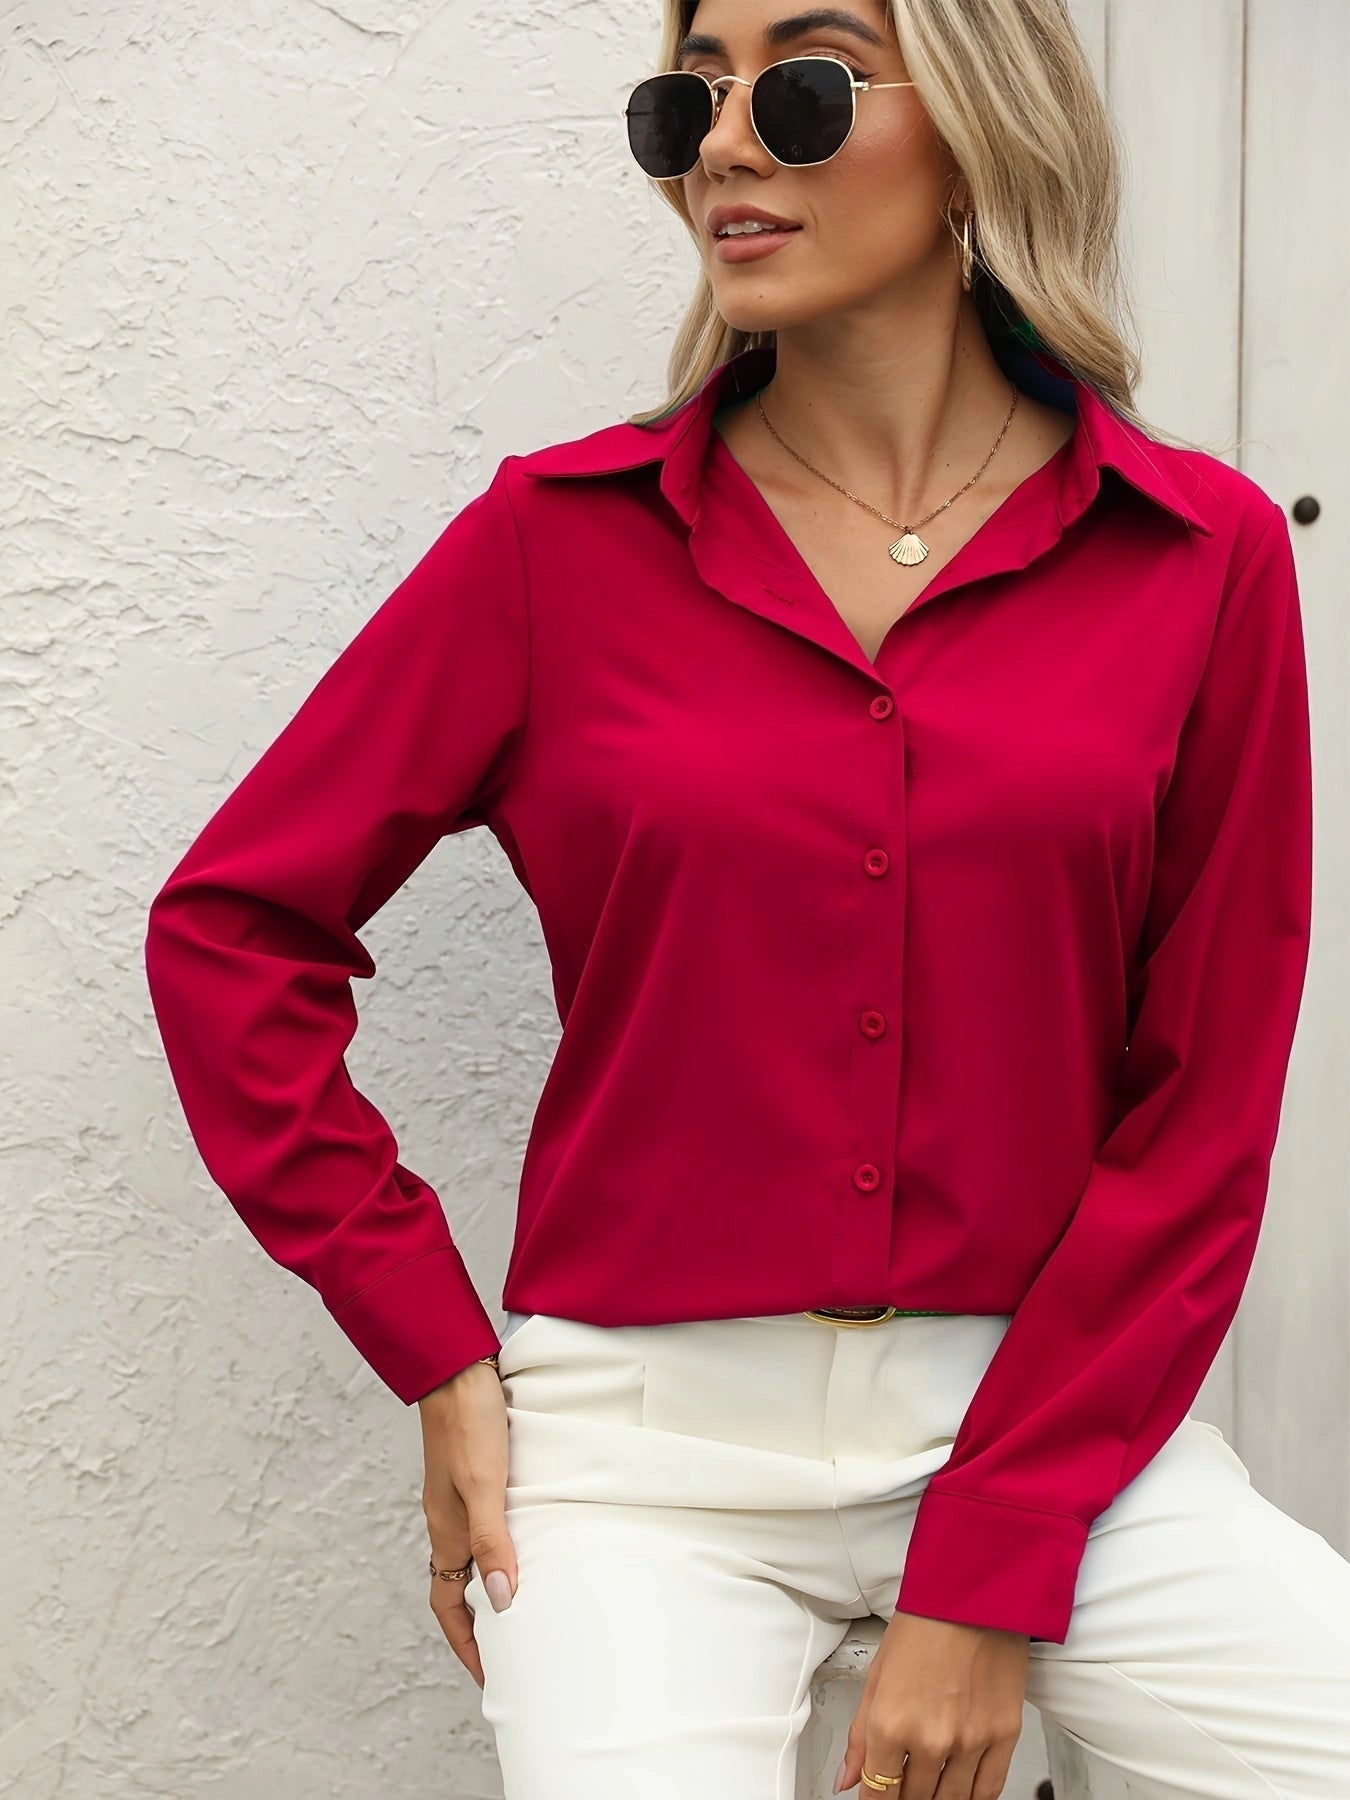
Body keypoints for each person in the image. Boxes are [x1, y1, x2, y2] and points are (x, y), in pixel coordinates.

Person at [143, 0, 1350, 1795]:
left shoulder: (1199, 556)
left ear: (978, 124)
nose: (719, 145)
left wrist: (983, 1575)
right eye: (681, 98)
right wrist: (431, 1342)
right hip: (638, 1453)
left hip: (1050, 1427)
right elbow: (233, 927)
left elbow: (1202, 1100)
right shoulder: (555, 546)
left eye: (793, 85)